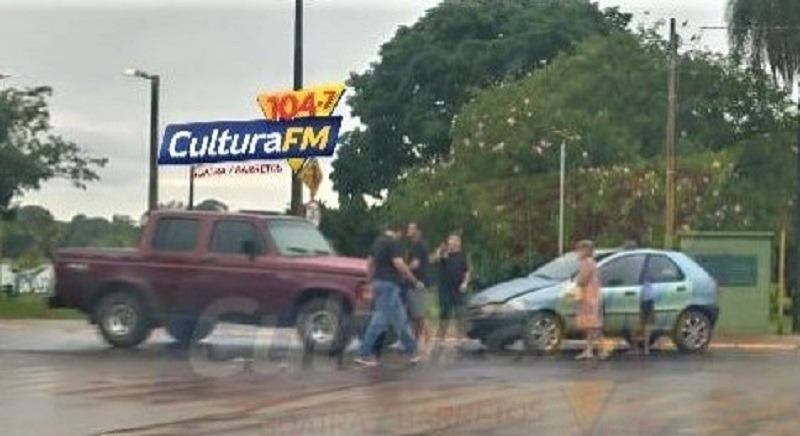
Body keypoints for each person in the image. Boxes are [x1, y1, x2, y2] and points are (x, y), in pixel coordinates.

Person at [355, 222, 423, 367]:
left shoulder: (378, 242)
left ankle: (413, 351)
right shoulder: (393, 243)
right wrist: (413, 280)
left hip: (378, 283)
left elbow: (369, 263)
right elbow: (398, 263)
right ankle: (364, 353)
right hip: (389, 286)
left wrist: (370, 280)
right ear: (398, 232)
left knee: (401, 320)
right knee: (379, 321)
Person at [574, 240, 610, 361]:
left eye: (580, 249)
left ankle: (602, 349)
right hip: (591, 296)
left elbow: (582, 280)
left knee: (593, 325)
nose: (577, 252)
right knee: (590, 326)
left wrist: (576, 282)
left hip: (590, 297)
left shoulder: (587, 263)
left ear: (586, 251)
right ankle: (590, 349)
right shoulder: (589, 262)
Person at [433, 233, 471, 345]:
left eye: (455, 240)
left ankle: (461, 337)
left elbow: (467, 271)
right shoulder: (444, 255)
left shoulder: (463, 256)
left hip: (458, 288)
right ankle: (440, 336)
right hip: (445, 288)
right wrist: (439, 252)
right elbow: (434, 260)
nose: (452, 242)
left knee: (460, 312)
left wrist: (465, 283)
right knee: (445, 312)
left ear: (459, 243)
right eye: (450, 240)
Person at [406, 222, 431, 351]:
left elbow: (415, 264)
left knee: (419, 313)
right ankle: (417, 340)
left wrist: (404, 270)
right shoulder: (419, 245)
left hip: (418, 282)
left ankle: (427, 340)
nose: (408, 230)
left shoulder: (418, 245)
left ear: (418, 231)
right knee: (416, 314)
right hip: (418, 281)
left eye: (411, 228)